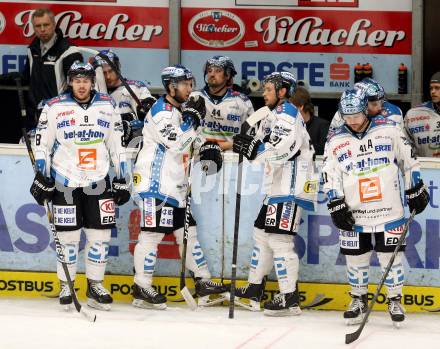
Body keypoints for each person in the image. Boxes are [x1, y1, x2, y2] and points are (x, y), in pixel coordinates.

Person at [322, 89, 429, 326]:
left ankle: (394, 300)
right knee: (355, 258)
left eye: (357, 116)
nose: (352, 121)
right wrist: (335, 202)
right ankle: (358, 299)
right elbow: (329, 174)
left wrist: (415, 188)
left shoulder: (389, 130)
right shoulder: (336, 140)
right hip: (354, 212)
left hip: (388, 209)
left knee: (390, 257)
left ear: (366, 110)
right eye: (347, 116)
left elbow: (410, 162)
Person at [29, 62, 130, 311]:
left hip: (99, 180)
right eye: (77, 80)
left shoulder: (107, 105)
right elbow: (41, 144)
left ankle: (95, 285)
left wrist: (122, 179)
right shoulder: (53, 107)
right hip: (66, 181)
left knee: (101, 237)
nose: (81, 84)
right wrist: (43, 176)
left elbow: (116, 144)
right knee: (68, 238)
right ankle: (67, 284)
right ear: (70, 82)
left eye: (86, 80)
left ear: (92, 82)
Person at [131, 64, 229, 310]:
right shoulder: (161, 111)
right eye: (185, 84)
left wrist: (209, 149)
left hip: (175, 186)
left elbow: (192, 143)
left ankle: (203, 282)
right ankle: (141, 286)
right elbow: (176, 142)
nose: (189, 88)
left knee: (188, 232)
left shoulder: (180, 112)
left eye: (190, 83)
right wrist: (193, 120)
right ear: (171, 87)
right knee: (151, 234)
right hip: (155, 183)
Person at [232, 72, 316, 316]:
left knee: (280, 241)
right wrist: (246, 140)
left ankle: (289, 297)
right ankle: (254, 288)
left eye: (269, 89)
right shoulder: (273, 115)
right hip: (277, 187)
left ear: (282, 92)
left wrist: (251, 149)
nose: (264, 92)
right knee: (261, 234)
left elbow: (279, 153)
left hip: (291, 187)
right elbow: (257, 140)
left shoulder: (288, 115)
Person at [23, 8, 83, 128]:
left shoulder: (69, 51)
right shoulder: (32, 49)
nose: (42, 29)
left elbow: (78, 88)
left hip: (61, 117)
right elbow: (27, 82)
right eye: (38, 26)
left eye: (46, 24)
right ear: (33, 28)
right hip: (35, 118)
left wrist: (56, 106)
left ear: (54, 24)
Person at [92, 49, 156, 145]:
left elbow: (150, 108)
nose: (108, 76)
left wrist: (148, 105)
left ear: (117, 68)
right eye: (103, 73)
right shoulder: (93, 93)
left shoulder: (135, 87)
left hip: (132, 144)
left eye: (110, 71)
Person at [191, 55, 254, 151]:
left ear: (228, 75)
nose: (212, 74)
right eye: (209, 70)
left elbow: (251, 138)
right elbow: (184, 134)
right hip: (198, 158)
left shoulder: (242, 101)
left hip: (231, 160)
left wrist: (218, 147)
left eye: (218, 71)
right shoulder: (194, 97)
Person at [329, 78, 403, 134]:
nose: (380, 108)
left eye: (381, 102)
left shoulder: (394, 112)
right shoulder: (343, 113)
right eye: (374, 104)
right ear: (362, 103)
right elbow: (331, 139)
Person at [404, 71, 440, 157]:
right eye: (431, 88)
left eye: (437, 88)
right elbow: (403, 145)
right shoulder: (415, 113)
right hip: (425, 167)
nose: (433, 92)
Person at [291, 86, 329, 155]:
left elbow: (324, 150)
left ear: (300, 106)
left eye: (291, 106)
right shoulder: (289, 125)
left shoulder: (322, 125)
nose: (288, 109)